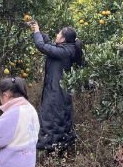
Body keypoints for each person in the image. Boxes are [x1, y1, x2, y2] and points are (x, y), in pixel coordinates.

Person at [27, 21, 83, 155]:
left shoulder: (64, 52)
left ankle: (53, 152)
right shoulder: (64, 48)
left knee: (52, 119)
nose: (56, 35)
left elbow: (41, 45)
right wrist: (37, 30)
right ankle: (56, 151)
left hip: (56, 94)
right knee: (57, 120)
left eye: (59, 33)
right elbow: (48, 43)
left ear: (63, 39)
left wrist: (36, 33)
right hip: (56, 91)